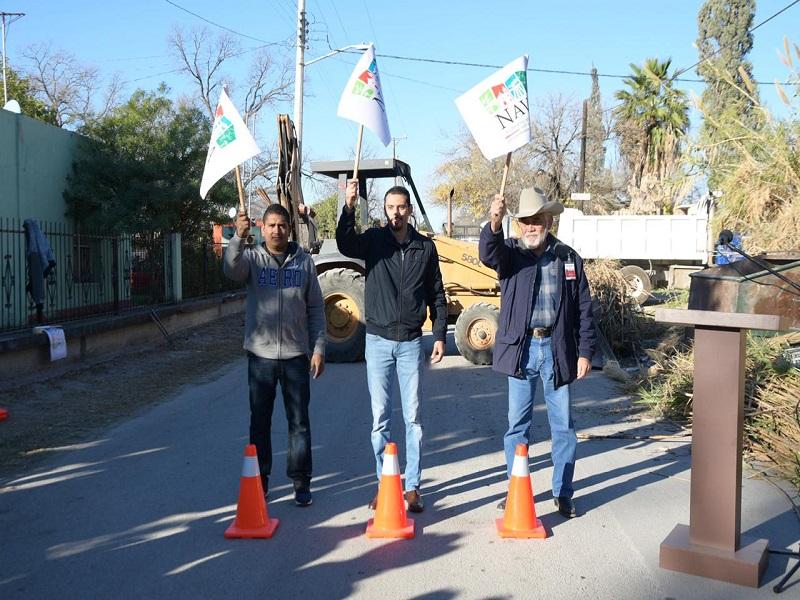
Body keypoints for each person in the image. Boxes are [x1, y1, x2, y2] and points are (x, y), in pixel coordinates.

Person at [479, 187, 595, 518]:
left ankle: (563, 493)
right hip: (522, 349)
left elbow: (584, 308)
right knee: (518, 427)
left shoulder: (567, 257)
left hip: (557, 349)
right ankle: (517, 488)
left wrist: (584, 351)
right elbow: (488, 252)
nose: (531, 227)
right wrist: (494, 220)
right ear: (519, 225)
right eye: (526, 221)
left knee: (564, 427)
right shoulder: (510, 255)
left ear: (548, 220)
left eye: (537, 220)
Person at [336, 180, 447, 513]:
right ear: (384, 211)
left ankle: (412, 488)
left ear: (409, 210)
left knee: (413, 419)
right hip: (378, 343)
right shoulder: (374, 242)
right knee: (380, 419)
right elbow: (345, 243)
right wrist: (349, 206)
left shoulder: (425, 248)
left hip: (412, 343)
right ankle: (386, 485)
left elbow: (437, 294)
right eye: (390, 207)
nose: (396, 213)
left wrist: (439, 334)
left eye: (401, 207)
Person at [223, 203, 326, 507]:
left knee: (299, 422)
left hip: (296, 356)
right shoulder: (252, 260)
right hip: (261, 357)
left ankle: (301, 481)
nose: (277, 230)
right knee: (260, 422)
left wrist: (318, 348)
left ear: (289, 228)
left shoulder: (304, 262)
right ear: (262, 227)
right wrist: (237, 238)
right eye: (271, 225)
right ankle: (260, 481)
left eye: (282, 225)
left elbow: (316, 309)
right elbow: (230, 270)